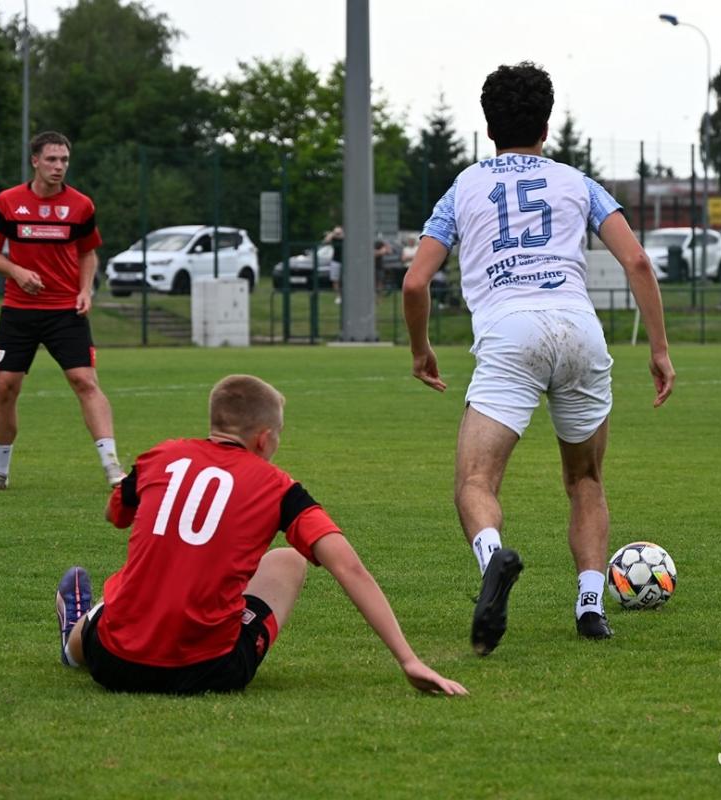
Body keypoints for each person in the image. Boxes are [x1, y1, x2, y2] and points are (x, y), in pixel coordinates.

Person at [402, 62, 675, 655]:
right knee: (586, 479)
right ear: (546, 126)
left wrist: (422, 351)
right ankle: (590, 606)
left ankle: (494, 561)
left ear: (488, 127)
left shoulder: (463, 187)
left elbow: (415, 282)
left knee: (476, 481)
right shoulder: (578, 182)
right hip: (580, 331)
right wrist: (658, 348)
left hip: (511, 333)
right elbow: (637, 261)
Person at [54, 374, 467, 697]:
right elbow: (349, 567)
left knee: (129, 589)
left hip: (114, 663)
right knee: (289, 559)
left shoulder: (161, 456)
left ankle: (74, 638)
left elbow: (115, 514)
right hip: (211, 671)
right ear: (264, 438)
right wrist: (409, 660)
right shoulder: (279, 488)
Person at [0, 131, 122, 492]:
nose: (59, 166)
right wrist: (17, 271)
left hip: (65, 311)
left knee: (85, 382)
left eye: (64, 160)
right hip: (18, 311)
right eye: (52, 159)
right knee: (6, 387)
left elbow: (88, 252)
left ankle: (113, 469)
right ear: (35, 161)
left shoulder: (81, 205)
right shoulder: (8, 202)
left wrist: (85, 290)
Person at [323, 225, 345, 304]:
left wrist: (336, 235)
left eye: (339, 232)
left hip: (346, 261)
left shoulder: (344, 236)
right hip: (336, 260)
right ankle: (338, 296)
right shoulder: (333, 237)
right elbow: (326, 241)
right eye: (336, 232)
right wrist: (331, 234)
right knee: (335, 279)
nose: (337, 234)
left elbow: (343, 237)